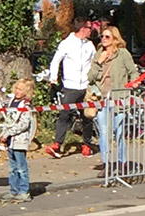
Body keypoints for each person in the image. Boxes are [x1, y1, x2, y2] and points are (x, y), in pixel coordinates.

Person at [89, 25, 142, 171]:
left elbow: (133, 71)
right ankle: (106, 164)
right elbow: (90, 77)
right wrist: (98, 62)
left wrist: (135, 81)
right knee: (104, 132)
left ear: (115, 39)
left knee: (119, 132)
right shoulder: (99, 53)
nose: (103, 39)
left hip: (120, 97)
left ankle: (122, 162)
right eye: (102, 37)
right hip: (101, 98)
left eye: (107, 37)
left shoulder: (123, 53)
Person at [43, 17, 96, 158]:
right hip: (70, 86)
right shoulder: (67, 43)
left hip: (85, 85)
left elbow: (94, 63)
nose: (92, 31)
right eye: (90, 28)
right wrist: (53, 78)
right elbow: (56, 61)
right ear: (83, 28)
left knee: (87, 117)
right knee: (64, 114)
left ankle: (87, 144)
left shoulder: (90, 45)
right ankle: (57, 144)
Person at [0, 77, 37, 202]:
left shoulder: (25, 105)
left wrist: (9, 133)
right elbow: (8, 120)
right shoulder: (11, 102)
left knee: (21, 167)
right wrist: (4, 133)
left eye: (21, 90)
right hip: (10, 141)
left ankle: (24, 191)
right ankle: (13, 190)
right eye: (16, 88)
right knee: (12, 168)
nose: (17, 91)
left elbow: (23, 124)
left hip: (20, 141)